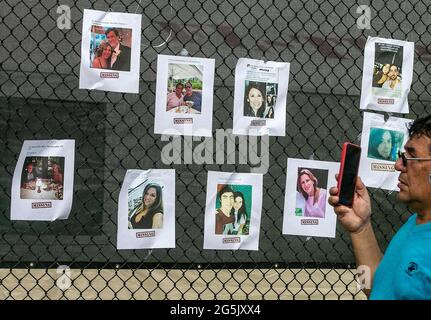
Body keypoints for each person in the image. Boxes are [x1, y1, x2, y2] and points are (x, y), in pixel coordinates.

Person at [328, 115, 431, 299]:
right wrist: (360, 228)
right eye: (402, 156)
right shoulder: (415, 223)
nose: (398, 165)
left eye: (411, 157)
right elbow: (373, 286)